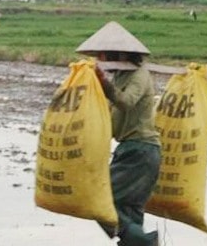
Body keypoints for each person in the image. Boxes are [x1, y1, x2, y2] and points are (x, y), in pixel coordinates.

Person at [76, 21, 161, 246]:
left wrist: (104, 85)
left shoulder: (139, 75)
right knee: (129, 208)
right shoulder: (121, 76)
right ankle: (136, 241)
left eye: (104, 56)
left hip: (140, 149)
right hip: (130, 148)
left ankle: (146, 241)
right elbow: (110, 115)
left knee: (98, 197)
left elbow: (126, 102)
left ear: (119, 53)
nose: (102, 62)